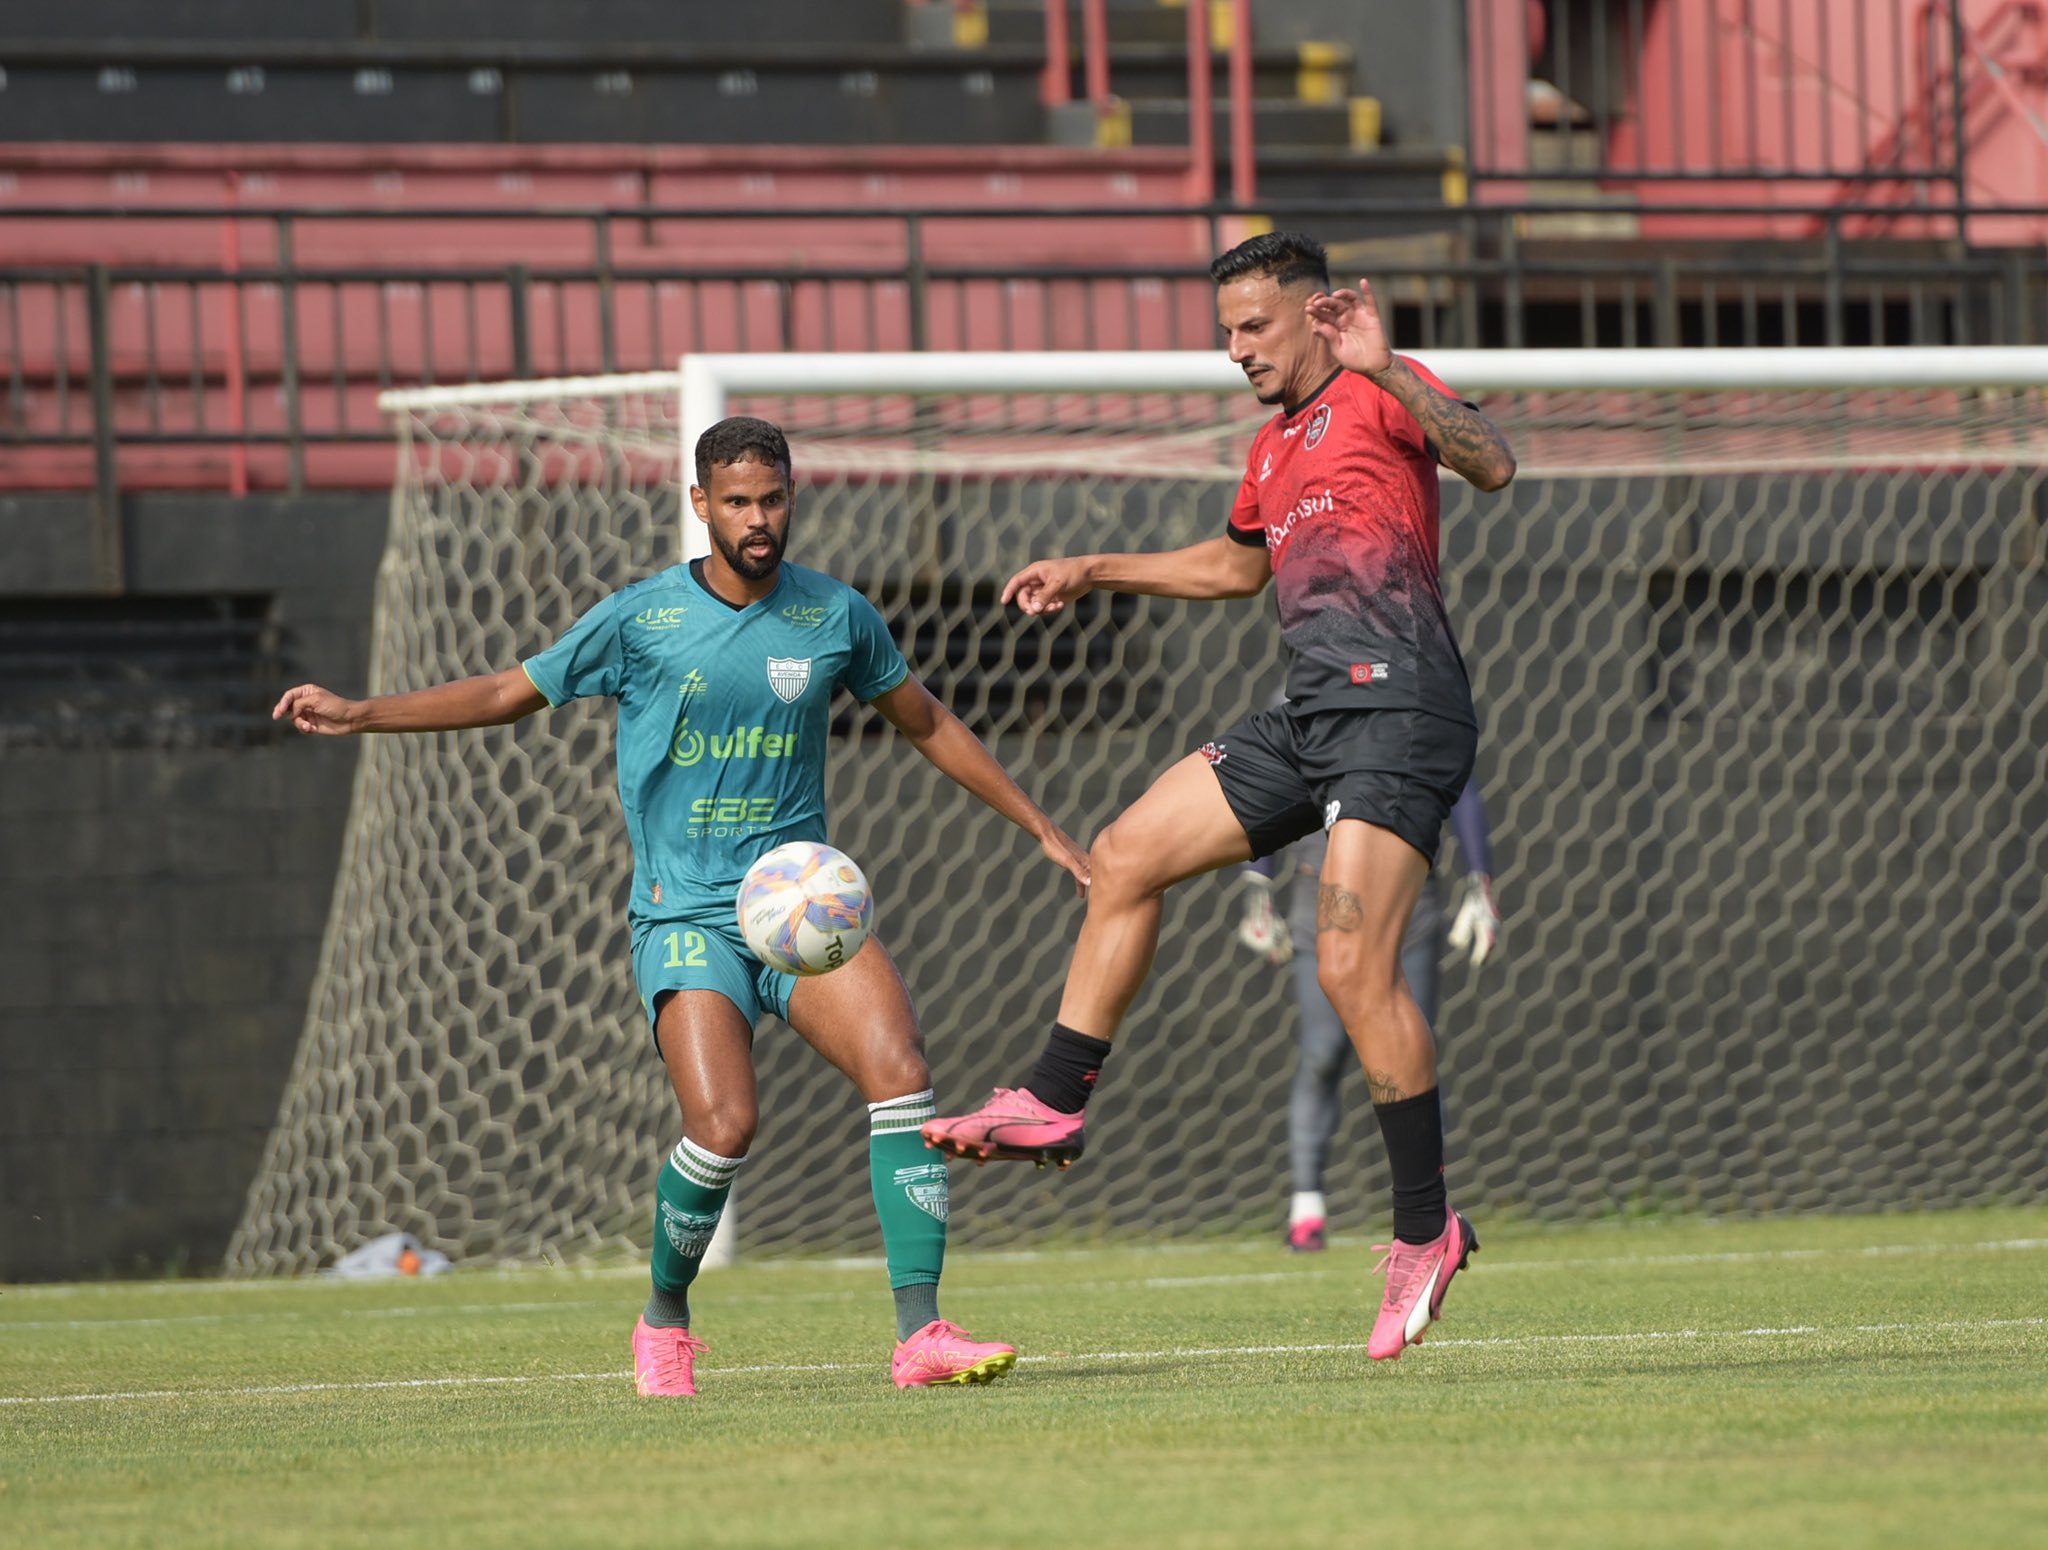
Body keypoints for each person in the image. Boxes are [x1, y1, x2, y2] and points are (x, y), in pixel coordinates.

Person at [275, 415, 1091, 1396]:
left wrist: (1038, 824)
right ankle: (663, 1318)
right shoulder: (640, 618)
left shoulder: (834, 614)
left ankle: (919, 1332)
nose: (756, 518)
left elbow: (925, 719)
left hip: (797, 910)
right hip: (686, 915)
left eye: (772, 498)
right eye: (736, 500)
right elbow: (506, 689)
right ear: (700, 503)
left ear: (793, 497)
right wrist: (361, 709)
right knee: (723, 1121)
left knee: (899, 1068)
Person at [923, 232, 1517, 1361]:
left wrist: (1389, 365)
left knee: (1347, 964)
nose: (1235, 348)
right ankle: (1055, 1094)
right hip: (1307, 715)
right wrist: (1094, 567)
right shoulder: (1269, 448)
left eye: (1253, 326)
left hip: (1399, 708)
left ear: (1312, 314)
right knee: (1126, 850)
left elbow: (1490, 463)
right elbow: (1235, 567)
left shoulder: (1379, 391)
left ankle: (1420, 1228)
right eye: (1224, 333)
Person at [1237, 782, 1499, 1252]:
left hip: (1410, 898)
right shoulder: (1299, 703)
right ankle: (1306, 1209)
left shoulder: (1430, 706)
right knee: (1323, 1051)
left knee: (1412, 1051)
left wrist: (1480, 878)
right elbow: (1270, 779)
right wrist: (1258, 879)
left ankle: (1428, 1212)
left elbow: (1462, 784)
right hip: (1322, 893)